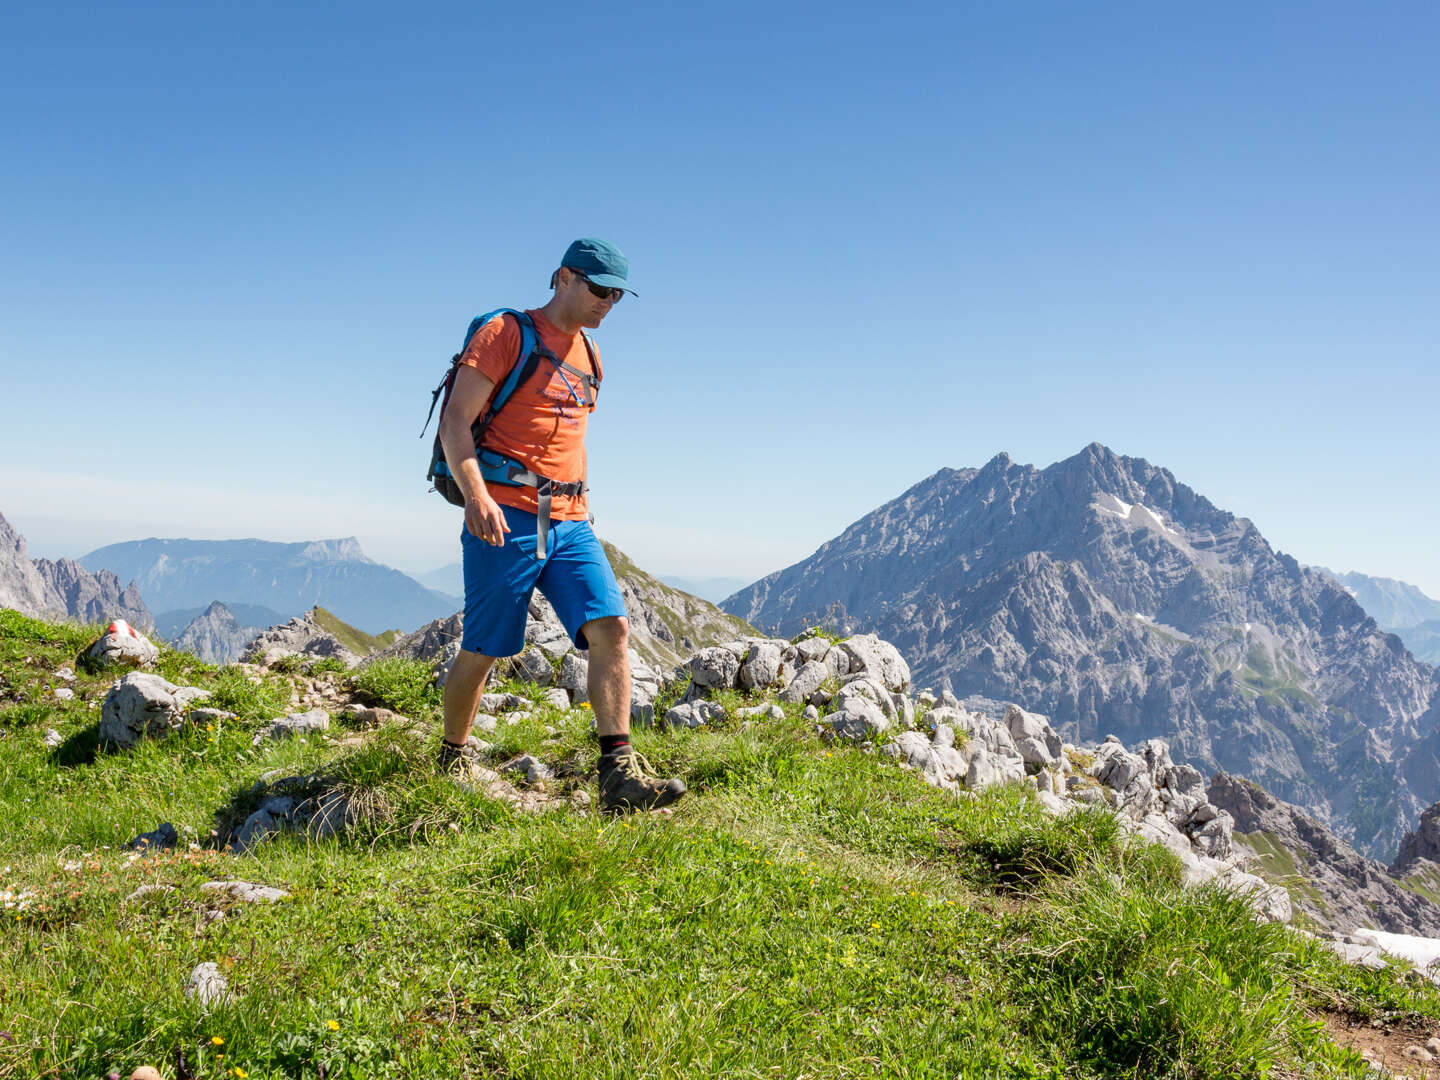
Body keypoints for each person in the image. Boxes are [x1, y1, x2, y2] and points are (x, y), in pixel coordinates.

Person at [435, 238, 685, 814]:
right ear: (565, 278)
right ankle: (450, 758)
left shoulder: (591, 355)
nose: (610, 302)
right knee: (486, 646)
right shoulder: (505, 334)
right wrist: (476, 497)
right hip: (506, 514)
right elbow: (457, 421)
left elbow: (567, 439)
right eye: (601, 289)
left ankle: (617, 774)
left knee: (613, 628)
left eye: (618, 294)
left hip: (569, 520)